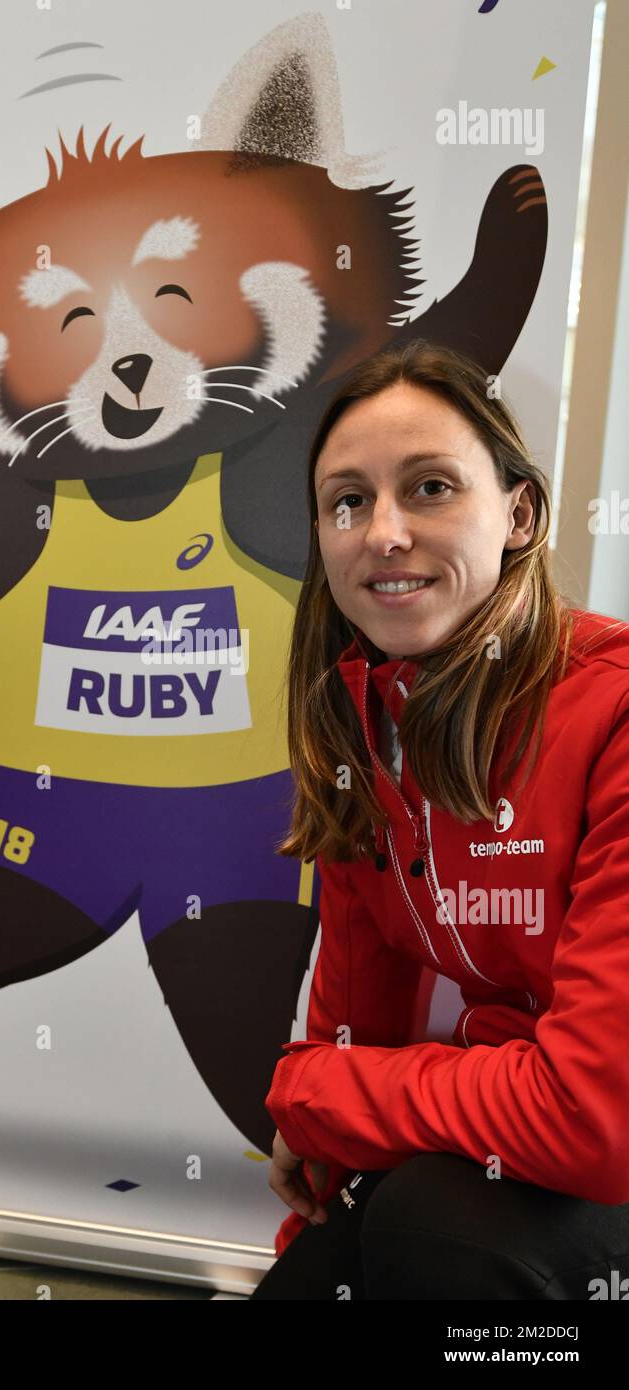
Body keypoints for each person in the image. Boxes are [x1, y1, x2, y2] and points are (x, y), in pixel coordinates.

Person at [250, 338, 629, 1300]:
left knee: (440, 1229)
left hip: (599, 1160)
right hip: (505, 1136)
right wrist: (325, 1193)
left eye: (428, 488)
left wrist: (312, 1096)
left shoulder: (614, 707)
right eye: (348, 500)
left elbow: (592, 1116)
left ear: (518, 514)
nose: (381, 532)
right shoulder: (360, 715)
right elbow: (353, 1014)